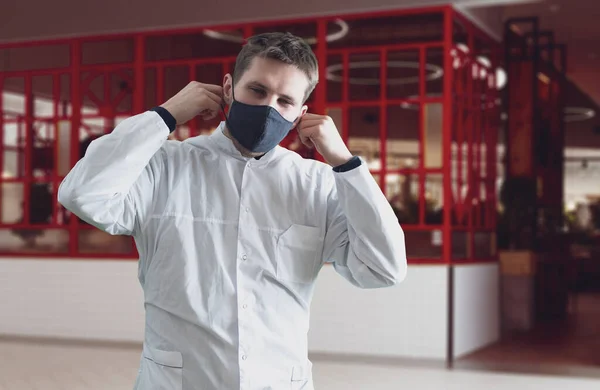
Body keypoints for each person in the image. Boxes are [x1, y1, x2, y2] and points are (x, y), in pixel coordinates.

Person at [58, 32, 406, 390]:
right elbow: (83, 194)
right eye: (257, 90)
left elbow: (383, 268)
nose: (269, 108)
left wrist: (347, 165)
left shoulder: (316, 184)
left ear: (301, 113)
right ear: (228, 88)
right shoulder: (165, 166)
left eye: (284, 100)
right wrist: (166, 115)